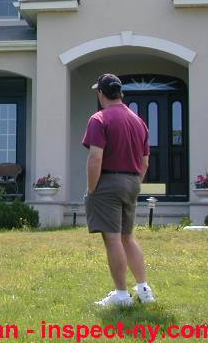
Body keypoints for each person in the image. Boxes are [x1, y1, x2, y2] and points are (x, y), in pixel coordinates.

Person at [82, 74, 156, 307]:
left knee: (112, 238)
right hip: (133, 181)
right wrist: (134, 183)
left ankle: (122, 295)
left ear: (101, 94)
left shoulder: (99, 118)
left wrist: (92, 189)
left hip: (109, 182)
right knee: (127, 236)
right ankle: (144, 289)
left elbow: (95, 158)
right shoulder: (138, 121)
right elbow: (145, 162)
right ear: (120, 93)